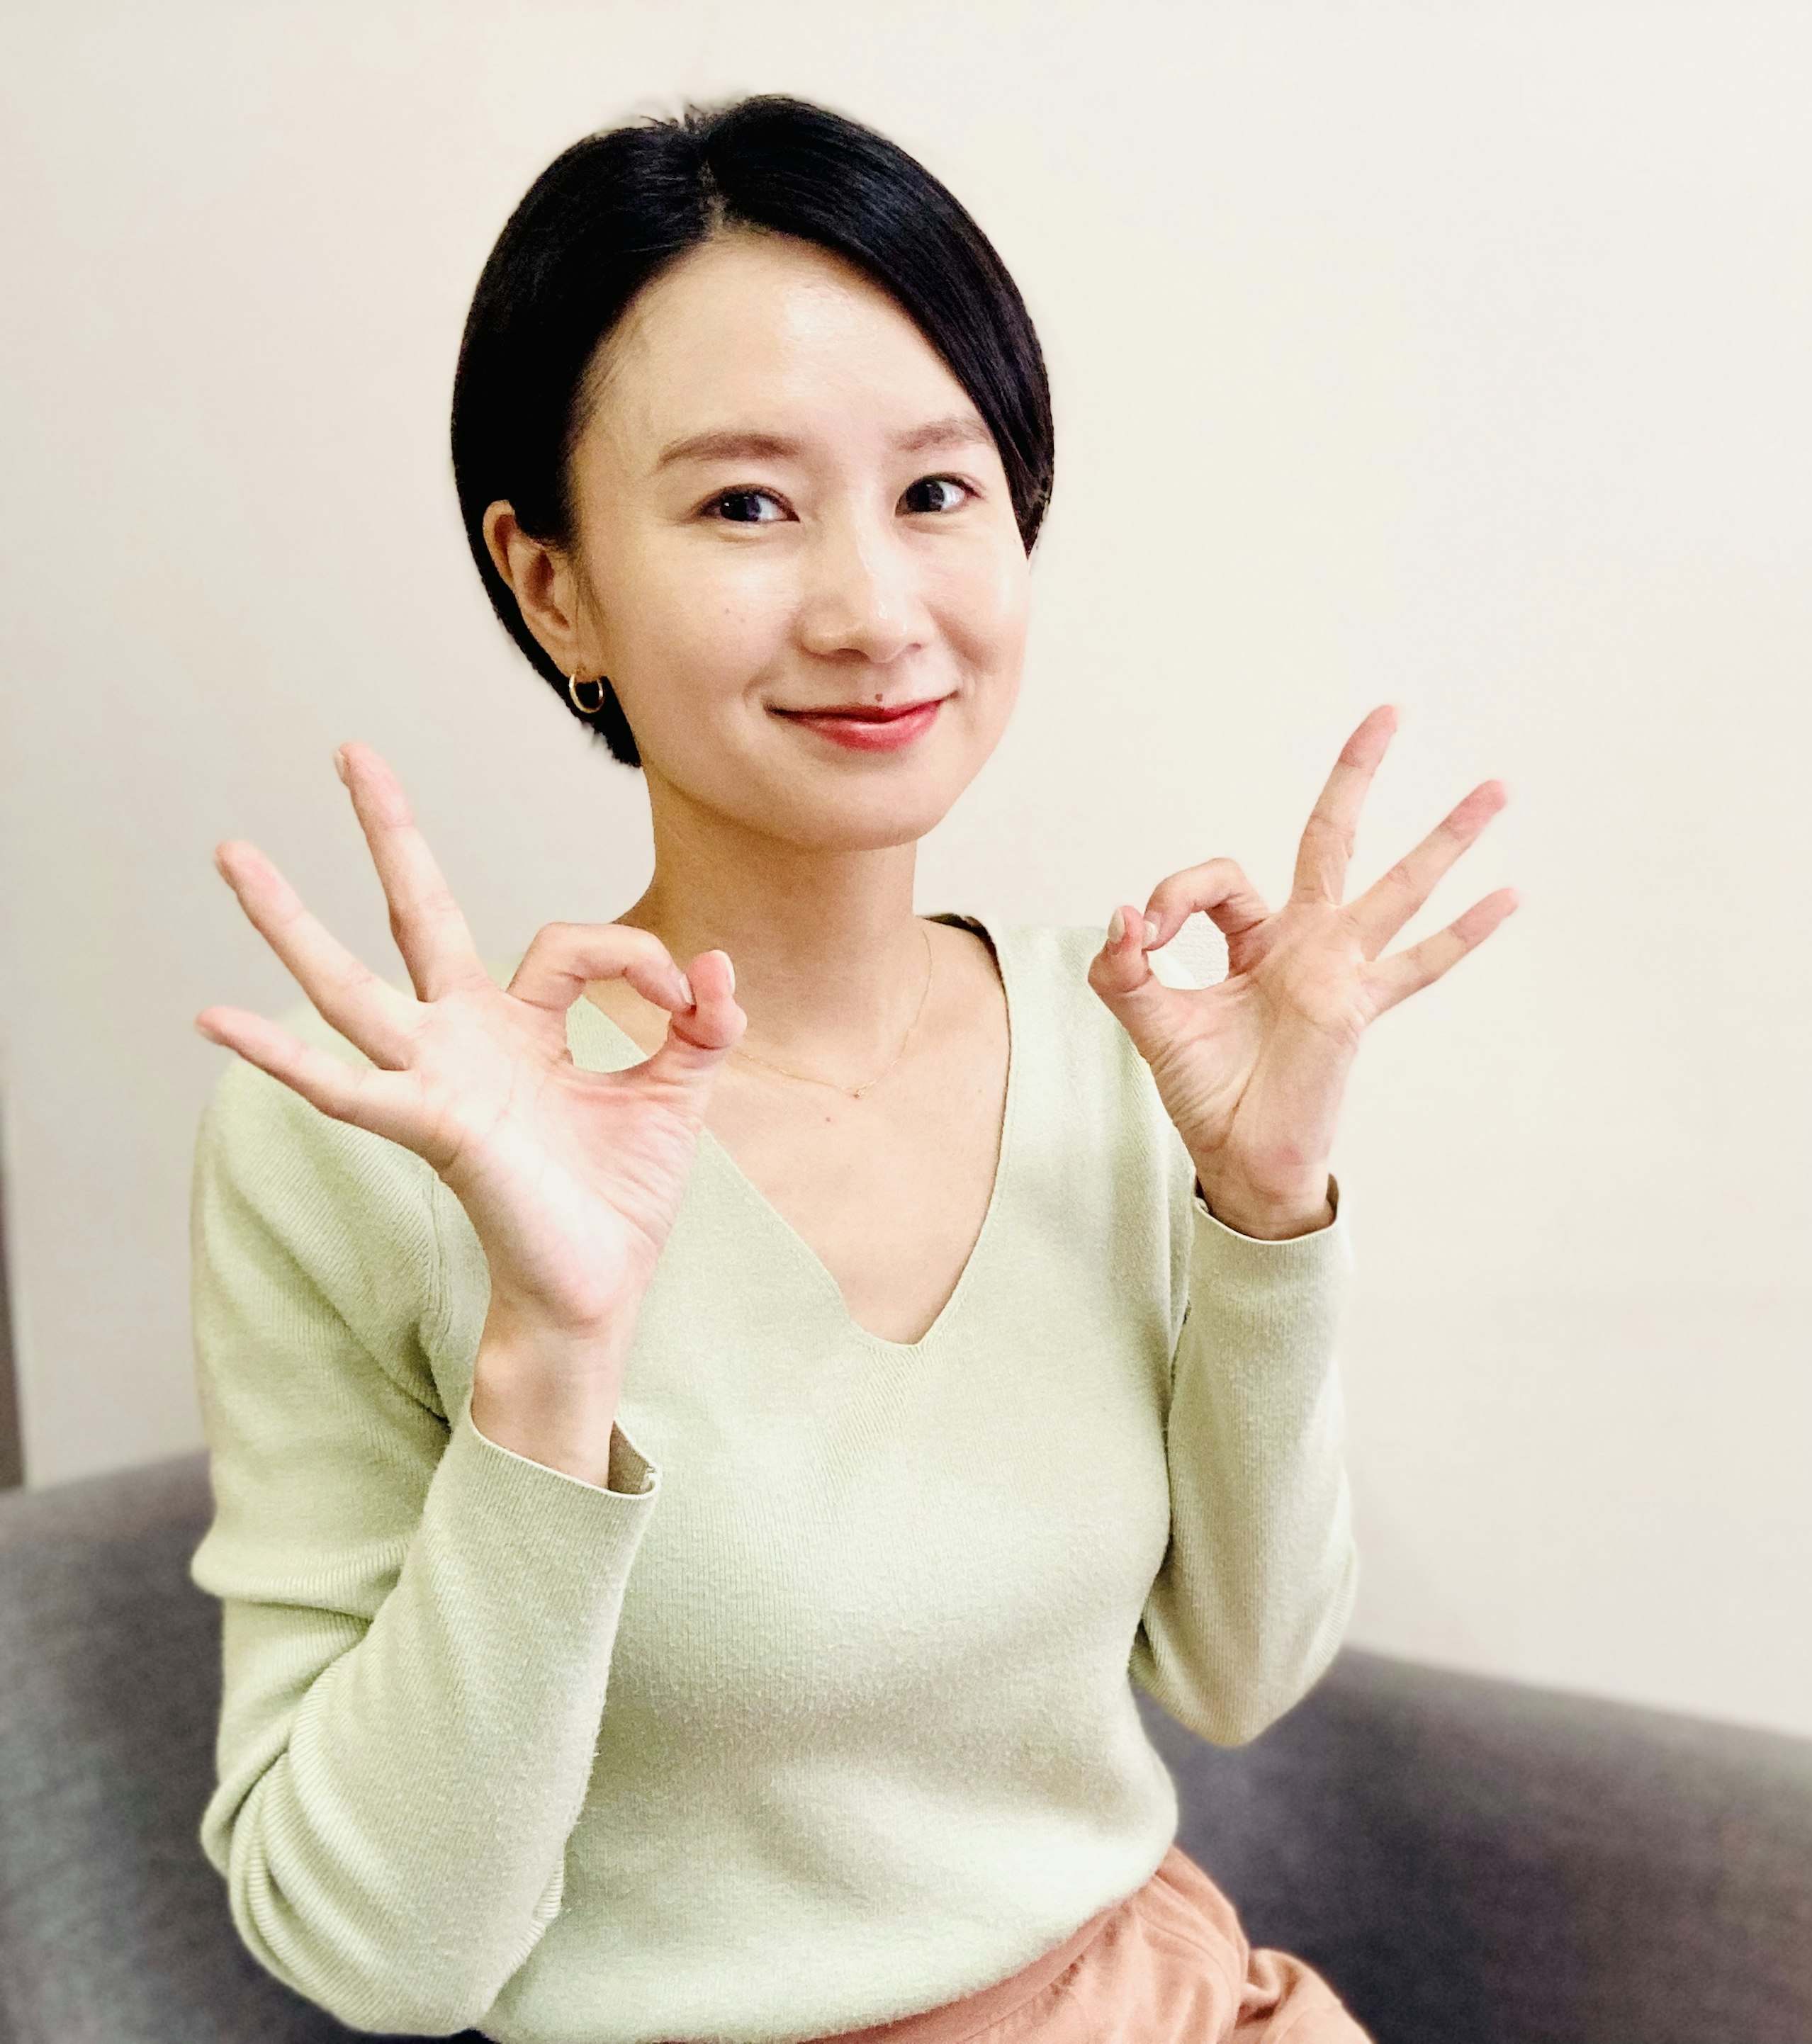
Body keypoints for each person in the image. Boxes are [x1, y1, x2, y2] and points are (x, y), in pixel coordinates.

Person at [184, 94, 1514, 2044]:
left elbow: (1240, 1674)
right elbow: (381, 1957)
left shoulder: (1131, 1031)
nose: (872, 610)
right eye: (744, 503)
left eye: (936, 492)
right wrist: (554, 1357)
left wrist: (1265, 1206)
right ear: (554, 586)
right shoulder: (368, 1139)